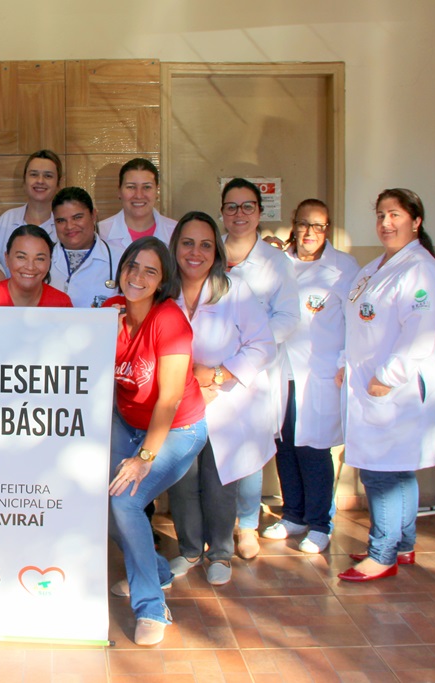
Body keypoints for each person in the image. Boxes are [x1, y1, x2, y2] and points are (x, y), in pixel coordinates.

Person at [337, 189, 435, 582]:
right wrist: (343, 362)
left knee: (381, 471)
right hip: (371, 382)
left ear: (416, 221)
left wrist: (387, 376)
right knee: (399, 470)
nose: (386, 223)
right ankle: (403, 545)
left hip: (394, 387)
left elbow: (419, 334)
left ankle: (382, 554)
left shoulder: (420, 269)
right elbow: (356, 323)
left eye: (395, 215)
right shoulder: (376, 267)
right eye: (381, 215)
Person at [102, 236, 207, 646]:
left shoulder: (169, 320)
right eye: (132, 266)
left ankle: (151, 606)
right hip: (127, 422)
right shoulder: (111, 311)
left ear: (162, 281)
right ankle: (157, 571)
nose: (138, 276)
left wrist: (144, 457)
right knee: (104, 501)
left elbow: (170, 398)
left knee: (125, 501)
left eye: (150, 271)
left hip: (178, 429)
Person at [165, 212, 276, 586]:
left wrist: (217, 375)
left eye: (205, 245)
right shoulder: (164, 291)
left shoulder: (234, 290)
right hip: (180, 403)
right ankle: (189, 550)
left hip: (224, 402)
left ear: (216, 252)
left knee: (219, 480)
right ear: (175, 247)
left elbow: (263, 345)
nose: (195, 253)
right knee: (182, 480)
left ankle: (221, 553)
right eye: (187, 243)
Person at [262, 199, 358, 553]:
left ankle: (319, 523)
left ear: (327, 229)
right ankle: (294, 514)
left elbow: (355, 323)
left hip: (320, 371)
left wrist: (346, 361)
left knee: (314, 448)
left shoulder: (344, 267)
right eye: (303, 224)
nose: (309, 232)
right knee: (285, 445)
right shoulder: (279, 261)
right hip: (281, 368)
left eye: (318, 226)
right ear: (293, 223)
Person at [220, 178, 300, 559]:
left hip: (254, 369)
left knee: (250, 449)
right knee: (213, 449)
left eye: (247, 206)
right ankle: (218, 526)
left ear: (259, 211)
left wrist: (252, 345)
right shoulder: (208, 252)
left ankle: (247, 525)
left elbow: (288, 317)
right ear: (222, 212)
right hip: (211, 368)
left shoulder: (276, 262)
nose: (239, 214)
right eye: (232, 207)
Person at [0, 149, 62, 269]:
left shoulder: (65, 225)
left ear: (58, 183)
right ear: (24, 181)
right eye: (34, 174)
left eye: (48, 176)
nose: (40, 181)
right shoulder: (5, 221)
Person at [48, 187, 121, 307]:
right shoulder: (44, 258)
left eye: (77, 217)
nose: (69, 226)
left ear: (93, 215)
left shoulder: (120, 259)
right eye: (61, 220)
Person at [0, 225, 72, 308]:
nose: (30, 267)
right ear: (7, 258)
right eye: (21, 257)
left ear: (50, 261)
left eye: (39, 259)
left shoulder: (61, 303)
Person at [98, 158, 178, 254]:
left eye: (147, 187)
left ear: (157, 191)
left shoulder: (176, 232)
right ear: (119, 191)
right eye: (131, 187)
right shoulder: (100, 233)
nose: (139, 195)